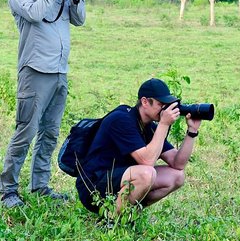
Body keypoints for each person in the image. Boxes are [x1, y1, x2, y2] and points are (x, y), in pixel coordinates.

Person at [0, 0, 86, 208]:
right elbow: (35, 14)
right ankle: (8, 190)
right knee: (26, 131)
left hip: (59, 70)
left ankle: (40, 186)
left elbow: (78, 20)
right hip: (35, 70)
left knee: (49, 132)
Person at [76, 78, 203, 215]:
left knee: (176, 176)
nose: (165, 110)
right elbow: (147, 161)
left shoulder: (149, 127)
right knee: (146, 174)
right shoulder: (121, 119)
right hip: (93, 186)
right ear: (144, 102)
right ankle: (111, 221)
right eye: (161, 104)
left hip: (118, 181)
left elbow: (178, 164)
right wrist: (164, 124)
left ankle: (129, 213)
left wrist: (192, 131)